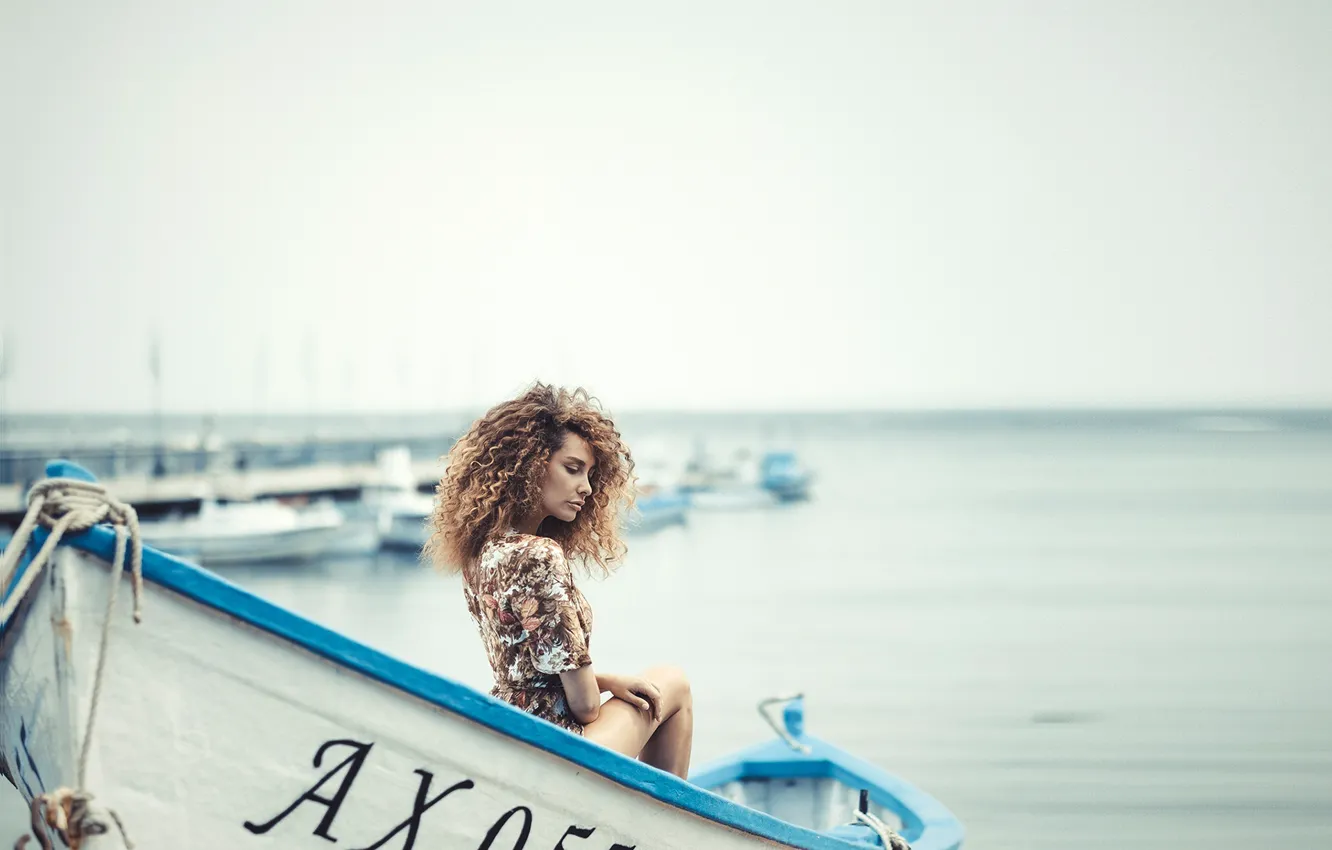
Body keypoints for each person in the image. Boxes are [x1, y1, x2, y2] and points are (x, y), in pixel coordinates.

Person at [425, 383, 694, 778]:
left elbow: (530, 670)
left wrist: (608, 680)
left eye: (589, 474)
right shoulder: (540, 554)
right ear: (531, 464)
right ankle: (663, 824)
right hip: (557, 745)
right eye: (572, 469)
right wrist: (596, 687)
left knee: (646, 686)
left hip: (509, 732)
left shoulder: (481, 552)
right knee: (673, 683)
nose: (585, 488)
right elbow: (584, 706)